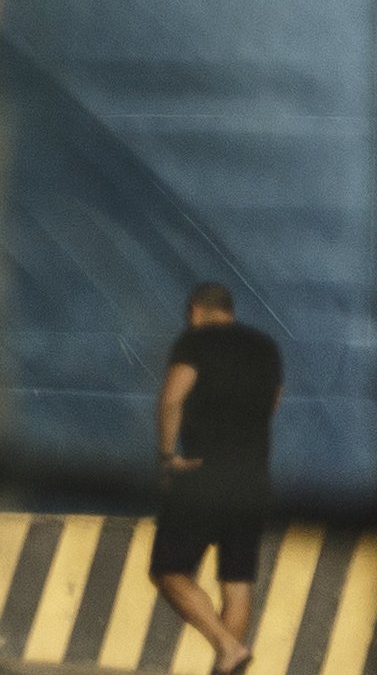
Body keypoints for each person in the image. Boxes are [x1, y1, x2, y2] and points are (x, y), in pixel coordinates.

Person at [152, 282, 283, 664]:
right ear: (230, 310)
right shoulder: (265, 346)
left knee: (169, 570)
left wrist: (166, 455)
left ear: (195, 310)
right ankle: (228, 664)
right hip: (253, 478)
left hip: (202, 475)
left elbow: (172, 398)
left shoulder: (194, 341)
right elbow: (274, 400)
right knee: (237, 582)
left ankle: (227, 647)